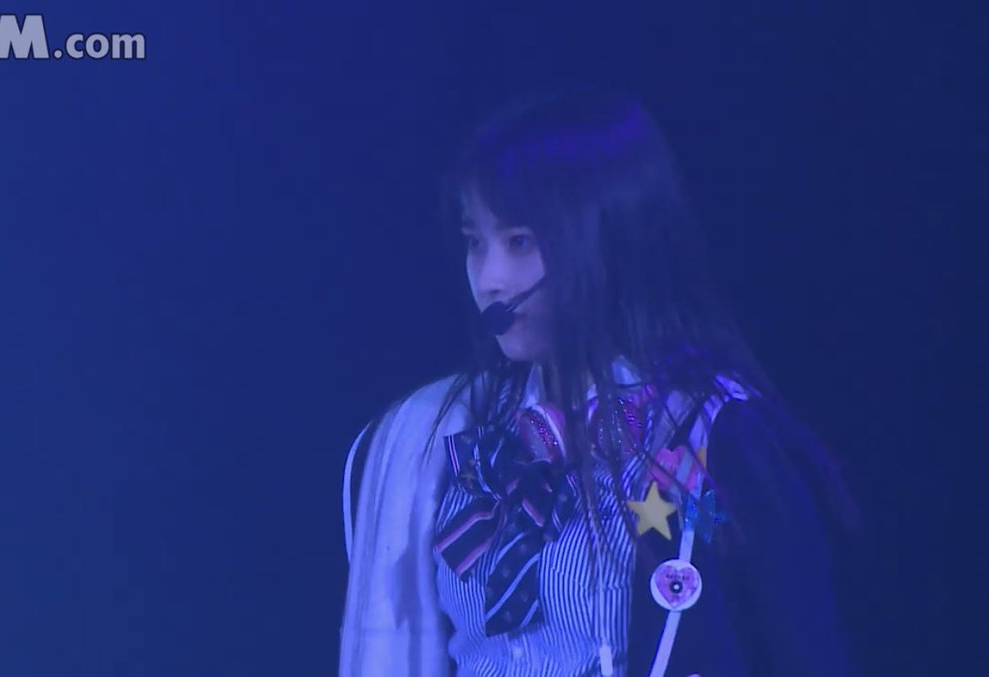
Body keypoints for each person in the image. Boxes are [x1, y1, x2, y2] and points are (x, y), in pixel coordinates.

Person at [339, 88, 857, 677]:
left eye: (520, 242)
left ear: (610, 243)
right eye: (475, 243)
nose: (490, 278)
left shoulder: (719, 440)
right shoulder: (437, 441)